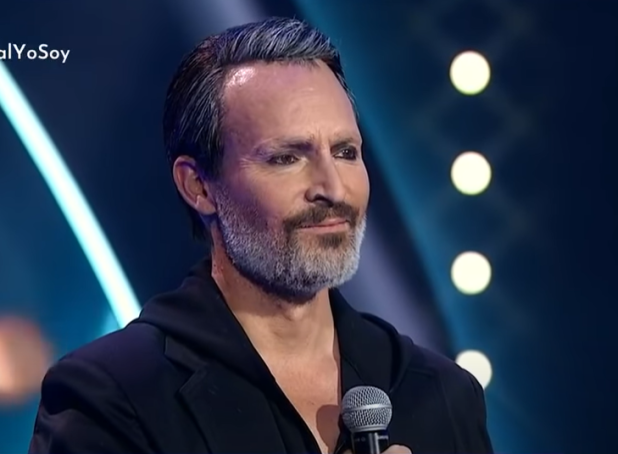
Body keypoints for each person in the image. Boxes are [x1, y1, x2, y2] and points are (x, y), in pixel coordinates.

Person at [27, 17, 494, 454]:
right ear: (199, 186)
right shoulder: (111, 396)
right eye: (286, 158)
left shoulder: (441, 393)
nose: (332, 189)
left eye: (346, 152)